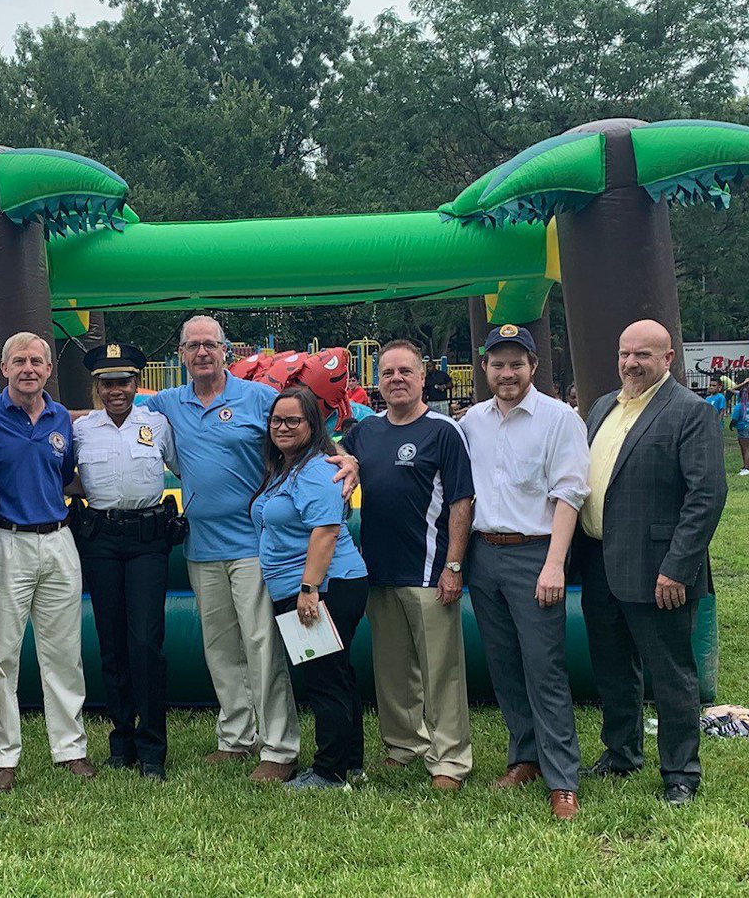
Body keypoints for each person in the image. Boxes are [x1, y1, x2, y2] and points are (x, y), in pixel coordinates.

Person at [143, 315, 300, 782]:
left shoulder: (259, 398)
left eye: (210, 345)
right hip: (201, 547)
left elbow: (303, 438)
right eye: (193, 346)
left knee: (263, 644)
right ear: (182, 356)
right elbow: (107, 415)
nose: (202, 353)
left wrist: (345, 457)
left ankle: (280, 747)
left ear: (226, 351)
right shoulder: (168, 403)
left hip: (254, 545)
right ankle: (236, 737)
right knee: (221, 648)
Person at [577, 319, 726, 807]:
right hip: (598, 560)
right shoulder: (602, 406)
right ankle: (621, 753)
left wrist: (677, 567)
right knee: (613, 665)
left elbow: (706, 495)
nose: (631, 363)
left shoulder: (690, 411)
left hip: (658, 567)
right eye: (625, 353)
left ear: (668, 359)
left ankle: (680, 772)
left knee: (670, 671)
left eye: (643, 354)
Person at [459, 325, 591, 820]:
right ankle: (525, 758)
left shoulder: (559, 419)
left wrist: (554, 564)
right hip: (483, 554)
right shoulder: (472, 420)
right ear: (485, 368)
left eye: (517, 363)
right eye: (497, 363)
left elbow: (570, 493)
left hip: (536, 553)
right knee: (505, 665)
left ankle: (563, 780)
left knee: (545, 667)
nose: (506, 372)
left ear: (534, 367)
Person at [341, 339, 474, 790]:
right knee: (393, 670)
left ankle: (449, 761)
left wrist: (453, 566)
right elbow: (338, 460)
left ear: (422, 377)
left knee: (442, 672)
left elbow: (461, 501)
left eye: (405, 372)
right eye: (388, 373)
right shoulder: (364, 433)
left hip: (429, 572)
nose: (396, 379)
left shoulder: (443, 431)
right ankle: (404, 746)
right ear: (378, 382)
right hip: (377, 570)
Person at [0, 332, 94, 792]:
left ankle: (71, 749)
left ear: (48, 369)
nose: (28, 368)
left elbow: (64, 477)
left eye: (37, 361)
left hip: (59, 539)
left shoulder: (61, 417)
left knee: (64, 652)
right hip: (6, 540)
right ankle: (2, 757)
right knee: (0, 655)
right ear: (4, 368)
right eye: (18, 360)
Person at [250, 387, 370, 790]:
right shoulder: (287, 467)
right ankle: (349, 761)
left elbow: (326, 531)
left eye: (293, 421)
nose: (282, 428)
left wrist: (308, 589)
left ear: (311, 425)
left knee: (324, 679)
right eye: (276, 421)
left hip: (322, 586)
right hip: (309, 585)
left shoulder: (316, 469)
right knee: (336, 673)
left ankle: (329, 772)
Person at [72, 343, 177, 781]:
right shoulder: (81, 430)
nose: (117, 390)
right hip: (101, 539)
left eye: (124, 382)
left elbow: (189, 467)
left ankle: (152, 745)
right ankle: (122, 740)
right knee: (111, 641)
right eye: (107, 383)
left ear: (137, 383)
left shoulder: (158, 424)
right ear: (97, 386)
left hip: (148, 540)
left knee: (146, 642)